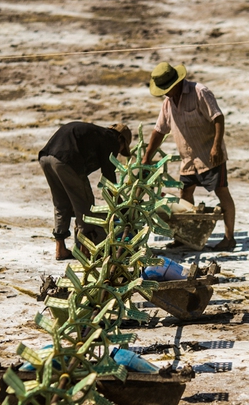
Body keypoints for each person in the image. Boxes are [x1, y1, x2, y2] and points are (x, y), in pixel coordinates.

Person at [141, 62, 236, 251]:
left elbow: (218, 118)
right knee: (184, 195)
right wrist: (146, 157)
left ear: (177, 82)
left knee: (222, 192)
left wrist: (216, 146)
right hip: (188, 159)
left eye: (167, 89)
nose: (166, 93)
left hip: (210, 155)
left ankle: (229, 238)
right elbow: (159, 131)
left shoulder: (200, 92)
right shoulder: (168, 103)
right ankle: (185, 237)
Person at [38, 121, 132, 260]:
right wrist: (123, 208)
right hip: (66, 159)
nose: (118, 153)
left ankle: (60, 248)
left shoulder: (96, 134)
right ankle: (85, 249)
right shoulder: (111, 140)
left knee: (61, 203)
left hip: (46, 157)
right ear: (120, 139)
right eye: (121, 149)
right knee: (85, 204)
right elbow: (110, 182)